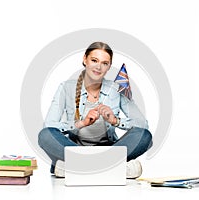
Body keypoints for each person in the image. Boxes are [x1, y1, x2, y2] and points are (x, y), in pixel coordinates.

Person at [38, 41, 152, 178]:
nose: (99, 67)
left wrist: (115, 120)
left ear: (109, 67)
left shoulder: (117, 89)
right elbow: (49, 125)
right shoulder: (66, 88)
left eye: (104, 63)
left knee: (144, 136)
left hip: (110, 150)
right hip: (74, 150)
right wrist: (81, 123)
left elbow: (142, 124)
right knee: (45, 135)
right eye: (94, 60)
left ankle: (75, 168)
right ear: (85, 59)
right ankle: (112, 168)